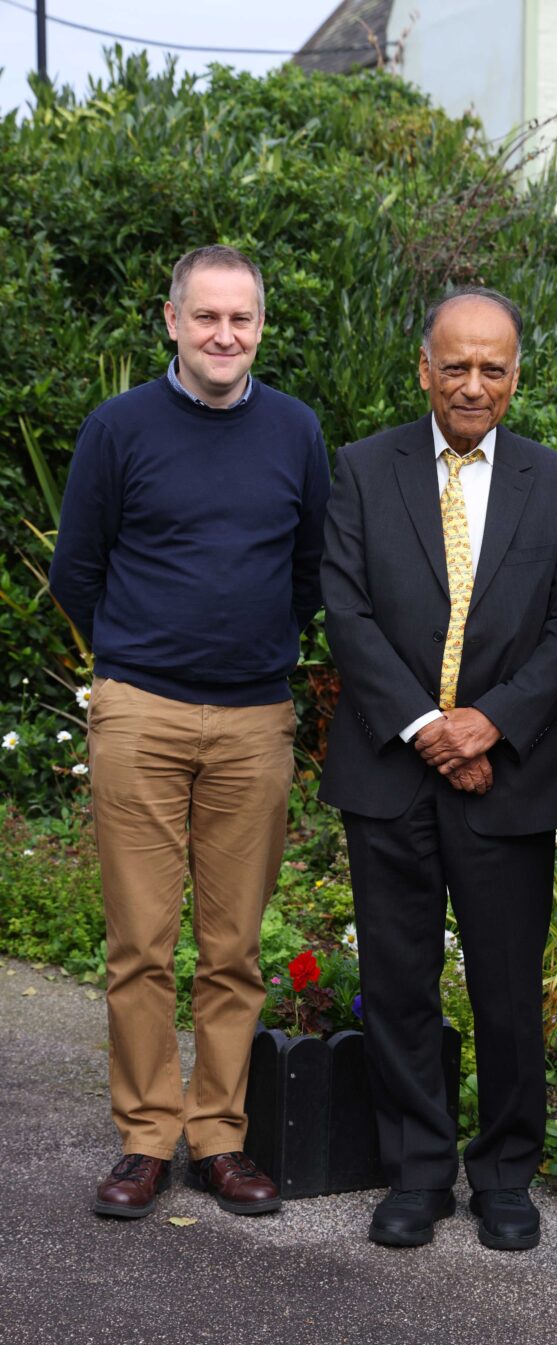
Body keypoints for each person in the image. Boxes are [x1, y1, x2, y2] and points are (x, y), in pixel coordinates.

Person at [49, 245, 330, 1220]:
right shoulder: (118, 427)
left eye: (241, 320)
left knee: (233, 943)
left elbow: (307, 570)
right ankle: (143, 1137)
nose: (224, 335)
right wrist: (134, 658)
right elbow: (75, 567)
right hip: (142, 710)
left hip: (255, 715)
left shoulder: (296, 431)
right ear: (171, 321)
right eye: (206, 317)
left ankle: (217, 1135)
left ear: (259, 327)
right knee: (139, 941)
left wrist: (253, 649)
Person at [319, 287, 557, 1250]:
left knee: (507, 989)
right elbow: (346, 612)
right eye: (456, 366)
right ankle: (418, 1172)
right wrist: (423, 728)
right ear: (424, 369)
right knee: (398, 981)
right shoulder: (360, 470)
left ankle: (507, 1173)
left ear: (516, 377)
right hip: (387, 770)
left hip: (509, 774)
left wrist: (487, 725)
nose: (473, 384)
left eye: (493, 368)